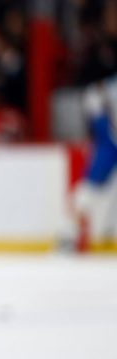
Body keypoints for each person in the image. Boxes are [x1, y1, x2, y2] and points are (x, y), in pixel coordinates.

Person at [74, 75, 117, 250]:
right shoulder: (98, 91)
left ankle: (108, 229)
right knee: (88, 190)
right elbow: (96, 121)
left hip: (108, 143)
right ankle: (70, 232)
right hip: (108, 145)